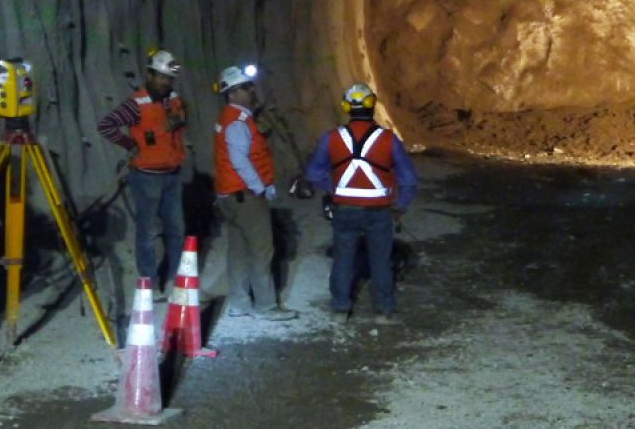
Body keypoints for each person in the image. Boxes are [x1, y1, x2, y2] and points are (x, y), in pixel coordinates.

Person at [304, 83, 418, 320]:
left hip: (344, 209)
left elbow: (314, 173)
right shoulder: (388, 139)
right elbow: (408, 178)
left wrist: (335, 189)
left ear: (346, 106)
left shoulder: (331, 138)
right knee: (380, 260)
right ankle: (383, 311)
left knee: (343, 259)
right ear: (372, 105)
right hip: (379, 211)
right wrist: (400, 206)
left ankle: (340, 309)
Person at [95, 49, 190, 296]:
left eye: (168, 78)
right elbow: (106, 125)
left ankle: (174, 280)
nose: (165, 82)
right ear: (150, 75)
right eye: (160, 77)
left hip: (172, 173)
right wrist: (130, 144)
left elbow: (180, 123)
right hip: (146, 176)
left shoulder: (174, 99)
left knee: (176, 229)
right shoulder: (136, 103)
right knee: (147, 232)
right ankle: (149, 282)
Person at [211, 65, 297, 320]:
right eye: (245, 88)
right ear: (233, 93)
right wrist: (261, 188)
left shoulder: (227, 118)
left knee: (238, 251)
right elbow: (240, 161)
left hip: (230, 195)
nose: (250, 92)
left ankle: (239, 303)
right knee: (261, 250)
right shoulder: (237, 122)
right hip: (245, 196)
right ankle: (266, 306)